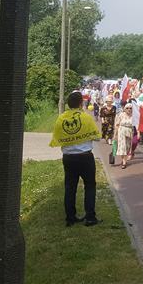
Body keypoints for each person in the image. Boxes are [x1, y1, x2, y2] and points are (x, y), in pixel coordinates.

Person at [49, 91, 101, 226]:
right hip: (85, 157)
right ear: (81, 103)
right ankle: (90, 217)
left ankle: (70, 218)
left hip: (68, 158)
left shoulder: (61, 118)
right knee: (90, 186)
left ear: (68, 104)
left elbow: (57, 136)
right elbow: (97, 136)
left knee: (70, 187)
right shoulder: (86, 118)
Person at [114, 102, 134, 169]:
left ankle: (123, 159)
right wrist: (115, 134)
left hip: (129, 132)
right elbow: (117, 125)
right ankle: (124, 162)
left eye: (130, 108)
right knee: (122, 147)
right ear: (125, 109)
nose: (129, 109)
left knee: (127, 148)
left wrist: (138, 133)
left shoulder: (134, 116)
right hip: (121, 132)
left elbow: (137, 125)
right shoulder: (121, 115)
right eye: (127, 108)